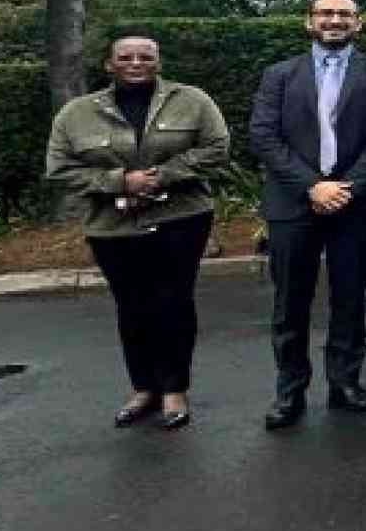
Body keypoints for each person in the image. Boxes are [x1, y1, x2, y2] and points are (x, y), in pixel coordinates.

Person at [45, 34, 230, 431]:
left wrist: (161, 177)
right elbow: (59, 168)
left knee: (175, 302)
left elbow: (216, 148)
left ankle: (175, 388)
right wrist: (119, 181)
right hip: (112, 226)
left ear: (158, 62)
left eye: (145, 57)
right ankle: (143, 387)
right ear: (109, 65)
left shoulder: (192, 100)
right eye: (125, 57)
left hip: (181, 218)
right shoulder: (76, 113)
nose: (135, 63)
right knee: (131, 306)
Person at [250, 0, 366, 430]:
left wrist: (346, 187)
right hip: (293, 202)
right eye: (325, 13)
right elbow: (263, 136)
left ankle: (345, 382)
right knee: (289, 301)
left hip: (355, 203)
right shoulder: (279, 75)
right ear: (309, 22)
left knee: (350, 298)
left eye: (344, 15)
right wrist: (313, 186)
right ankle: (289, 390)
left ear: (358, 24)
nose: (334, 20)